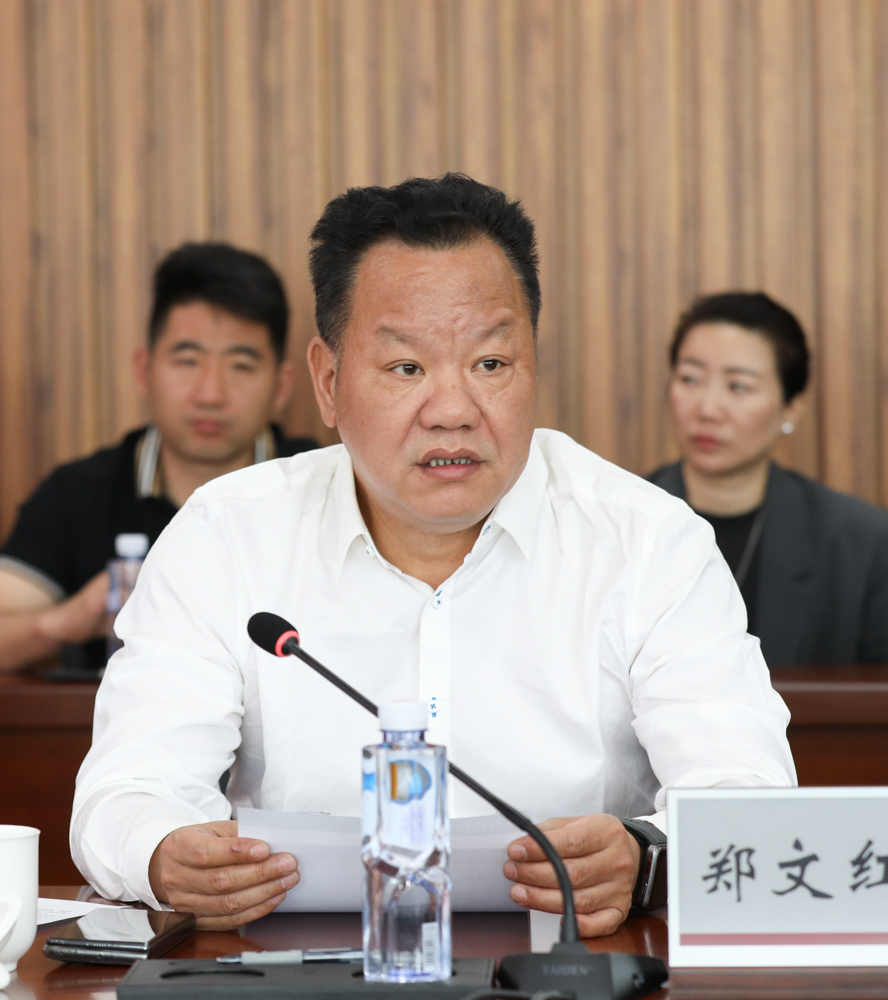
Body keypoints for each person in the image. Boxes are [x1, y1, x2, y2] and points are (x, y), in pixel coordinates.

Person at [71, 175, 795, 935]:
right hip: (296, 968)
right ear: (327, 381)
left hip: (578, 962)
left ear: (533, 365)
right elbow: (128, 790)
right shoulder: (228, 534)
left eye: (491, 364)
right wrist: (164, 854)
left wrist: (647, 856)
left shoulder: (647, 540)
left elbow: (747, 795)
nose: (453, 411)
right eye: (407, 368)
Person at [0, 243, 319, 674]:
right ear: (144, 370)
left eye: (241, 365)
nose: (211, 394)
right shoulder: (79, 492)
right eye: (188, 361)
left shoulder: (327, 485)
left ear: (282, 386)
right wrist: (68, 620)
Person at [647, 292, 888, 665]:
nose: (708, 409)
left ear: (790, 409)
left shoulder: (855, 539)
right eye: (690, 379)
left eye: (738, 386)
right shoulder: (613, 520)